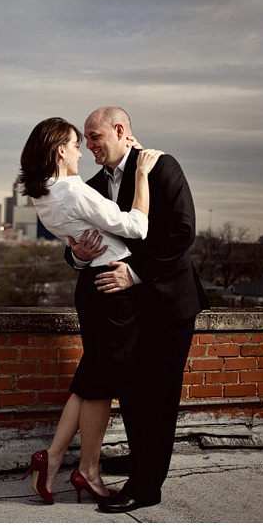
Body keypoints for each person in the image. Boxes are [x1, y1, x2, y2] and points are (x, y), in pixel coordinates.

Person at [67, 106, 209, 513]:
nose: (88, 145)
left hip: (168, 303)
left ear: (119, 130)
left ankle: (146, 486)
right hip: (124, 311)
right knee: (130, 388)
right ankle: (142, 458)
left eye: (94, 137)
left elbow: (182, 231)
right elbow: (74, 244)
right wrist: (77, 254)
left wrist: (135, 273)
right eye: (85, 140)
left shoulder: (161, 167)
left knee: (158, 393)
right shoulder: (91, 186)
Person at [16, 117, 163, 505]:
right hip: (113, 294)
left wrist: (79, 255)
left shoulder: (43, 195)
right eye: (75, 145)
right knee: (99, 383)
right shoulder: (72, 189)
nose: (82, 151)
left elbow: (79, 241)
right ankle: (82, 469)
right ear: (60, 150)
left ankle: (55, 459)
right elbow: (136, 227)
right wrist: (143, 173)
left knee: (92, 381)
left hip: (93, 290)